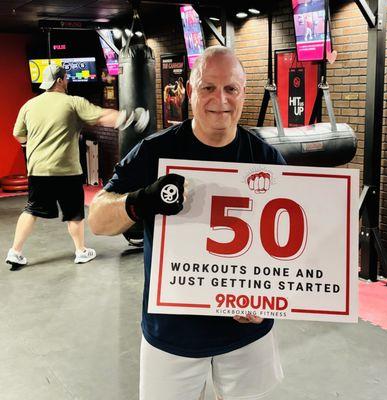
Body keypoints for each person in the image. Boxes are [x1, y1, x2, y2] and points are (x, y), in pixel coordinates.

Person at [88, 46, 286, 399]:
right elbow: (98, 220)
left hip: (246, 330)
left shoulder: (266, 158)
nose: (220, 99)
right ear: (190, 92)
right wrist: (139, 201)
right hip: (173, 330)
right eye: (208, 87)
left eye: (231, 89)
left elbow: (287, 246)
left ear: (243, 93)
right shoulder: (154, 151)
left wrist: (268, 297)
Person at [5, 63, 135, 269]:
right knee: (74, 212)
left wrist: (30, 145)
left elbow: (18, 134)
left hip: (38, 169)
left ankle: (15, 252)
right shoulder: (73, 102)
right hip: (67, 170)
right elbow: (103, 117)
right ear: (60, 80)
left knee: (31, 209)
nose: (68, 81)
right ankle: (81, 251)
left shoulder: (29, 105)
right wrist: (130, 117)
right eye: (66, 78)